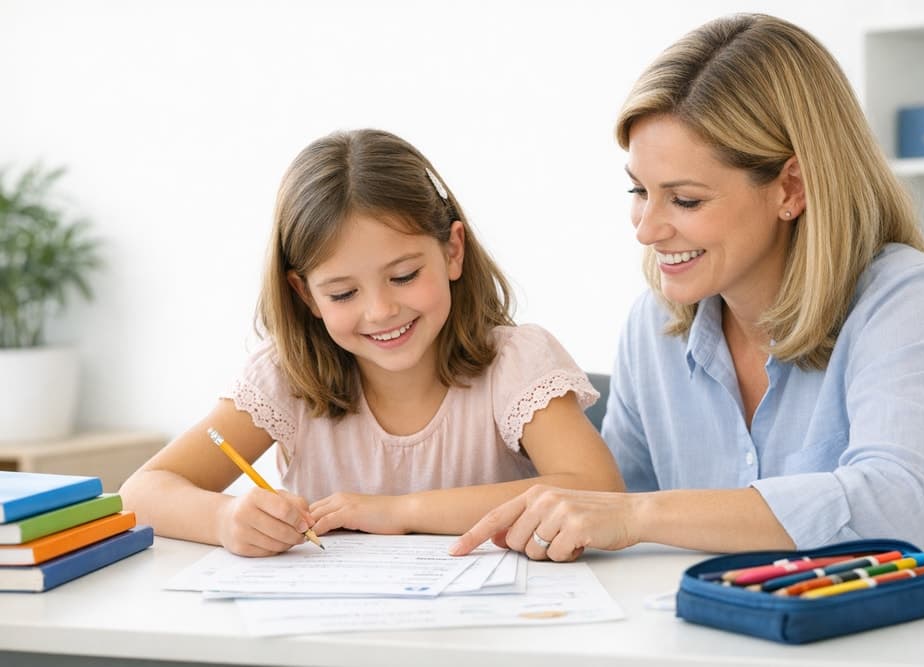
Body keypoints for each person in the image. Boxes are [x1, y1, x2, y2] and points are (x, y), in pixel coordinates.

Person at [450, 13, 924, 563]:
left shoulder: (909, 299)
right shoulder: (653, 326)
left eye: (686, 200)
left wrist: (639, 516)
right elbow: (607, 511)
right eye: (639, 190)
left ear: (792, 187)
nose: (646, 229)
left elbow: (901, 506)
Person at [120, 128, 624, 557]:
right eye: (343, 292)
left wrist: (400, 511)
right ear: (306, 295)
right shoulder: (287, 380)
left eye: (404, 276)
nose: (381, 311)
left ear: (453, 251)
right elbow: (141, 492)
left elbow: (600, 490)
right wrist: (226, 520)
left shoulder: (515, 363)